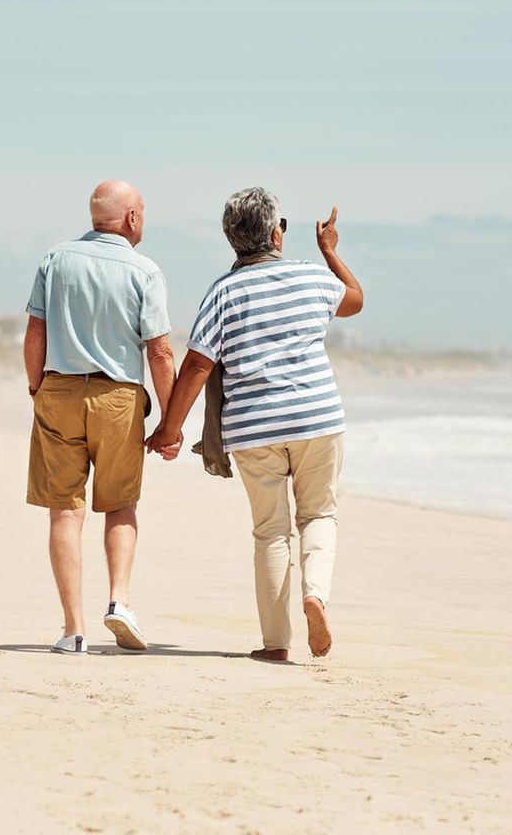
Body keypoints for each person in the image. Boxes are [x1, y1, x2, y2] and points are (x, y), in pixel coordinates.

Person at [148, 187, 363, 661]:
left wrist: (170, 429)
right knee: (319, 515)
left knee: (270, 531)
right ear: (275, 233)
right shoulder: (311, 278)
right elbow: (354, 300)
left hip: (253, 429)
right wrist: (330, 252)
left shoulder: (223, 292)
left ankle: (275, 644)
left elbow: (198, 366)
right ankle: (316, 596)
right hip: (318, 418)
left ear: (233, 241)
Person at [24, 180, 181, 655]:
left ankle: (73, 630)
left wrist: (38, 387)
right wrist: (169, 423)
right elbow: (160, 350)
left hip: (60, 389)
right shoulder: (144, 270)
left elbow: (35, 333)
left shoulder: (55, 259)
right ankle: (119, 601)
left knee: (65, 512)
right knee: (119, 505)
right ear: (132, 217)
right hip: (119, 399)